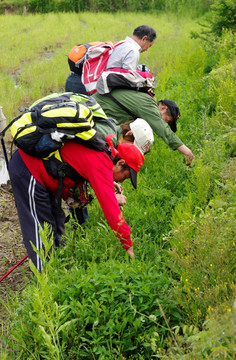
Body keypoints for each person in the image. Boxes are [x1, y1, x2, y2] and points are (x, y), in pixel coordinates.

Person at [8, 140, 144, 271]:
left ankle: (58, 268)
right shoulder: (101, 162)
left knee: (56, 221)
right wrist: (128, 246)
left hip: (44, 177)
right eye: (125, 176)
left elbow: (72, 165)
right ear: (120, 162)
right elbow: (111, 208)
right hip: (28, 168)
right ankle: (44, 278)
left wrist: (68, 197)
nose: (122, 180)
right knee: (39, 228)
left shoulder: (104, 155)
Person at [93, 90, 194, 165]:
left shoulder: (143, 109)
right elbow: (163, 130)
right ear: (163, 108)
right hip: (89, 110)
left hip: (95, 117)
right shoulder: (149, 105)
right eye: (166, 120)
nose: (163, 123)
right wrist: (187, 152)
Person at [65, 25, 156, 95]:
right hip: (85, 87)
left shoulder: (121, 43)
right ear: (144, 39)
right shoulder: (133, 51)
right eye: (149, 45)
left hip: (74, 79)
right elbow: (128, 79)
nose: (147, 49)